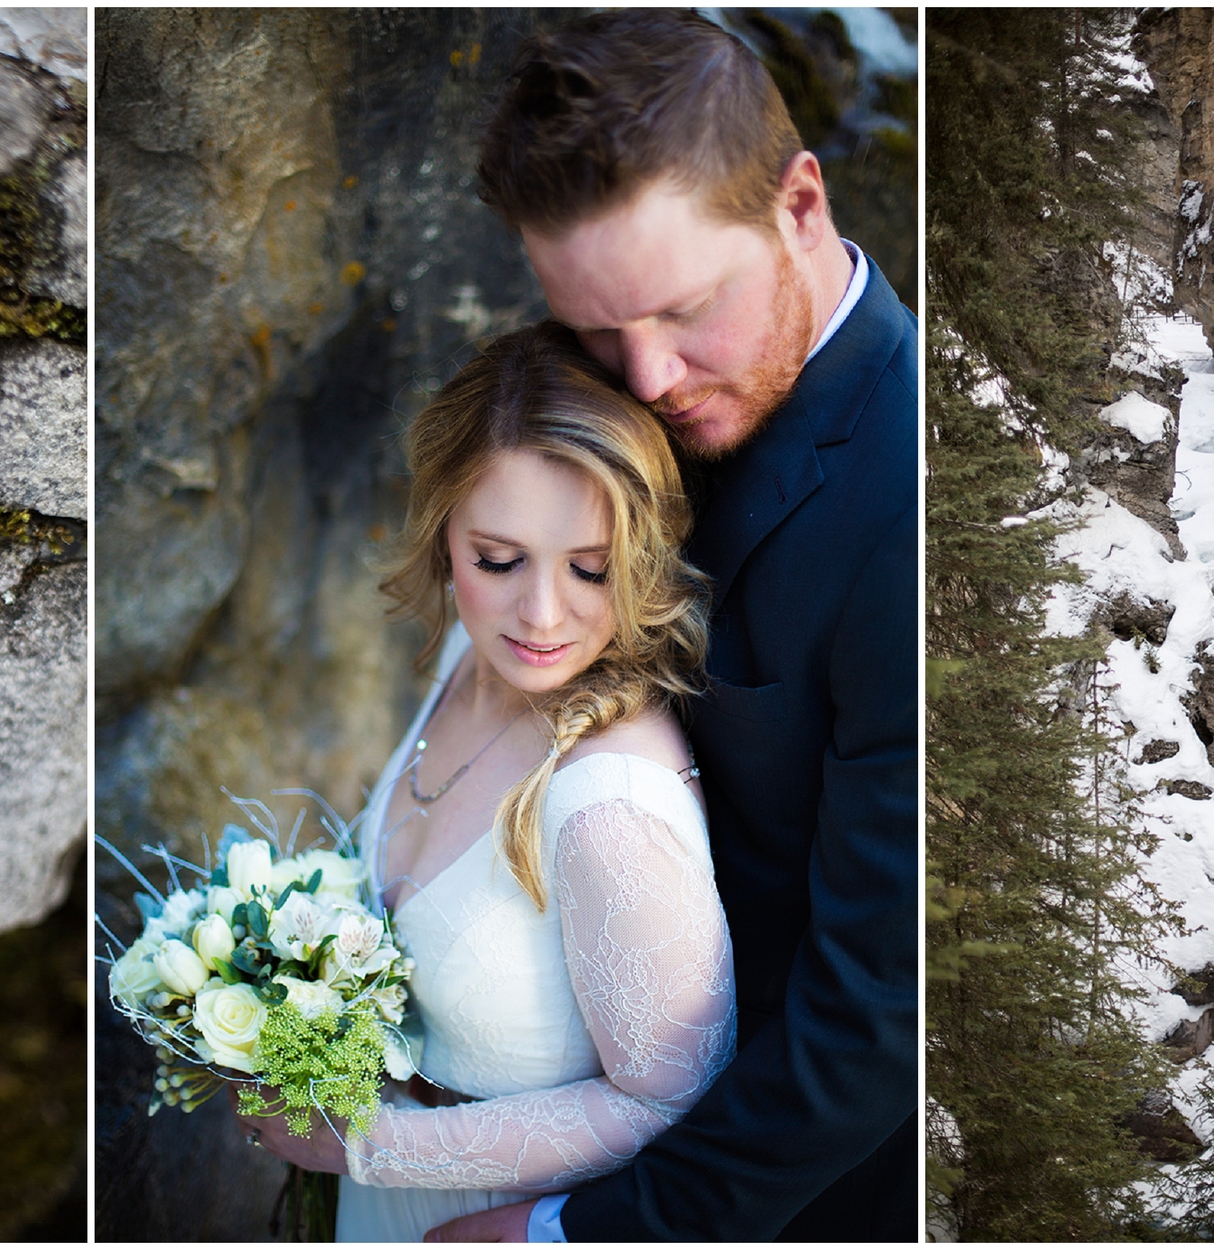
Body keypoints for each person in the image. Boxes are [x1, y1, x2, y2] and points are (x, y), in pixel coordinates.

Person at [424, 10, 919, 1241]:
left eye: (684, 311)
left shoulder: (910, 507)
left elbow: (876, 1013)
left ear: (799, 204)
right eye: (597, 328)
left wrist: (575, 1231)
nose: (643, 380)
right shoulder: (612, 388)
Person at [237, 321, 740, 1242]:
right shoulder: (472, 660)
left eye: (592, 569)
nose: (541, 615)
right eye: (497, 560)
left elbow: (674, 1101)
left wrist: (372, 1147)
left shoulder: (608, 803)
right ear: (442, 536)